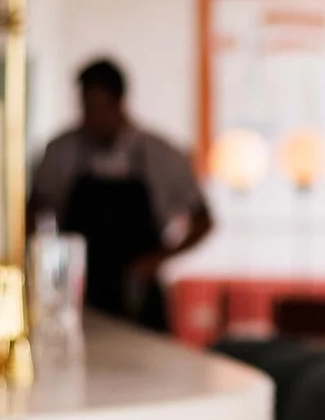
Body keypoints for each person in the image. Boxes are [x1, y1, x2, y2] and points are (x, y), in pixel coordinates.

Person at [26, 58, 213, 330]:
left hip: (138, 295)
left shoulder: (160, 154)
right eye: (86, 108)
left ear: (119, 102)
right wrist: (39, 265)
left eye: (100, 107)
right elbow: (33, 210)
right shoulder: (61, 151)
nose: (92, 118)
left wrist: (158, 260)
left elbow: (203, 220)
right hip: (79, 292)